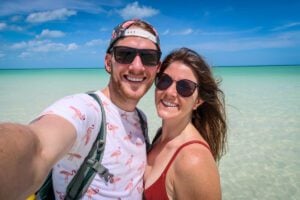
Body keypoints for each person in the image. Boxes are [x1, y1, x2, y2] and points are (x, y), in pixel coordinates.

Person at [0, 18, 161, 200]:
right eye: (125, 54)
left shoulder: (141, 118)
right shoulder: (85, 110)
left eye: (148, 57)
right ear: (109, 63)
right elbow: (38, 149)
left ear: (157, 68)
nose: (137, 67)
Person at [143, 47, 227, 200]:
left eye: (185, 87)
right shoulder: (160, 137)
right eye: (164, 80)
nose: (170, 92)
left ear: (198, 101)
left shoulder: (193, 161)